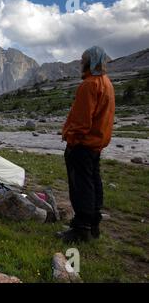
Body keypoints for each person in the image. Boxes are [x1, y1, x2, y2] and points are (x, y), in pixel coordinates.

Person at [58, 46, 115, 243]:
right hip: (96, 144)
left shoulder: (89, 85)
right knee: (93, 182)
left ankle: (81, 229)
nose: (81, 64)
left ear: (91, 62)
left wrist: (70, 138)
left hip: (82, 144)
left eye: (83, 60)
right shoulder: (106, 83)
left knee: (81, 185)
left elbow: (82, 121)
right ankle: (93, 223)